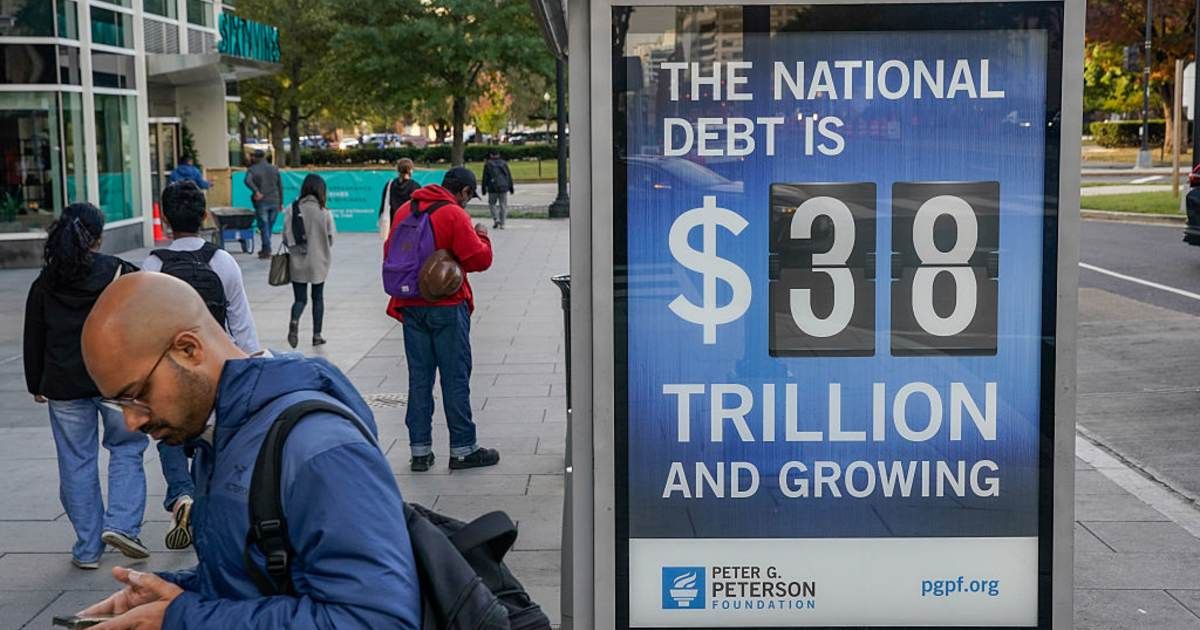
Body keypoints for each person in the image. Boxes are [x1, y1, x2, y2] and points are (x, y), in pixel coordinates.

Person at [77, 272, 420, 629]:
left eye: (137, 394)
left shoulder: (321, 449)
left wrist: (184, 619)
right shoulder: (220, 432)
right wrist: (172, 594)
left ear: (188, 349)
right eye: (119, 403)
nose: (131, 421)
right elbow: (261, 576)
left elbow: (377, 619)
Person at [23, 202, 150, 569]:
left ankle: (88, 548)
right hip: (115, 381)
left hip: (63, 386)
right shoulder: (120, 272)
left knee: (76, 462)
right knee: (127, 449)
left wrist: (36, 382)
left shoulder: (45, 281)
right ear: (97, 238)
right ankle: (124, 526)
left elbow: (34, 336)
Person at [142, 180, 261, 550]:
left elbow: (145, 327)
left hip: (171, 371)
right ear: (204, 215)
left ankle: (181, 496)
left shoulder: (152, 265)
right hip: (216, 369)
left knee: (168, 434)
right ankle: (207, 508)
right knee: (213, 442)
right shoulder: (222, 262)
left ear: (165, 219)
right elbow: (241, 327)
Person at [385, 166, 500, 471]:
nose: (467, 202)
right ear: (462, 191)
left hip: (410, 305)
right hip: (446, 307)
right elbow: (478, 259)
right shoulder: (452, 214)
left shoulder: (405, 210)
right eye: (468, 196)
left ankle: (419, 451)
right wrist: (483, 237)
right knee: (454, 376)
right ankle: (463, 448)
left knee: (419, 378)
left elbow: (390, 251)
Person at [283, 173, 335, 348]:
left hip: (298, 262)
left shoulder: (292, 209)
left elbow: (285, 236)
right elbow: (331, 238)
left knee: (300, 299)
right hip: (318, 262)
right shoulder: (324, 212)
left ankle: (295, 321)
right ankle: (317, 335)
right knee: (317, 298)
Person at [245, 149, 283, 259]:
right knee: (269, 227)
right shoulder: (274, 168)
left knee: (264, 227)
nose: (251, 158)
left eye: (252, 157)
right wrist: (281, 202)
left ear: (257, 158)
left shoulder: (252, 169)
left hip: (262, 201)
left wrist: (256, 191)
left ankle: (266, 249)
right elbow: (280, 186)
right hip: (275, 200)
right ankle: (265, 249)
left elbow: (247, 181)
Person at [378, 158, 421, 238]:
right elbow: (419, 208)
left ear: (397, 170)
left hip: (393, 225)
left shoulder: (389, 184)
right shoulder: (415, 186)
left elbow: (383, 205)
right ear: (410, 170)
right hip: (409, 225)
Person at [482, 149, 514, 230]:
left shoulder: (488, 164)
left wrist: (484, 189)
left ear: (491, 155)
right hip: (503, 187)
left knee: (492, 203)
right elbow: (508, 176)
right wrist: (511, 187)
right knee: (503, 205)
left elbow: (485, 178)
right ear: (498, 155)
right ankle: (502, 223)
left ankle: (496, 219)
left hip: (492, 187)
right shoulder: (504, 163)